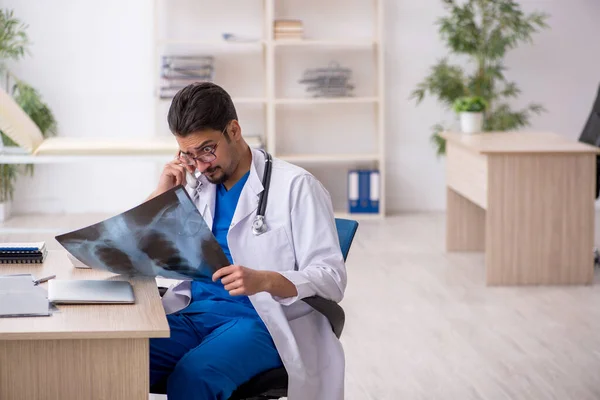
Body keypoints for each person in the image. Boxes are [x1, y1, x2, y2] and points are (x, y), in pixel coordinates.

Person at [147, 82, 347, 400]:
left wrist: (264, 279)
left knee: (194, 376)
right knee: (119, 353)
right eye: (188, 154)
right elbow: (143, 249)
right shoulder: (196, 185)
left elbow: (331, 278)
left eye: (207, 149)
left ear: (234, 130)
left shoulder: (297, 187)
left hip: (262, 322)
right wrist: (163, 193)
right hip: (195, 312)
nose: (199, 164)